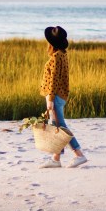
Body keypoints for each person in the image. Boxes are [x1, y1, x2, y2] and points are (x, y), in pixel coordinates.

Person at [39, 26, 88, 168]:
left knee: (61, 127)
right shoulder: (62, 55)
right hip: (60, 95)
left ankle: (79, 154)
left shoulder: (55, 58)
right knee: (56, 126)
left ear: (52, 43)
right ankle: (56, 159)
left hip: (55, 96)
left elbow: (54, 79)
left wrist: (50, 98)